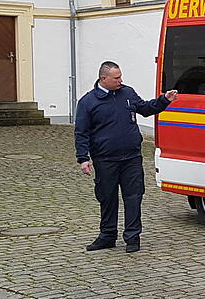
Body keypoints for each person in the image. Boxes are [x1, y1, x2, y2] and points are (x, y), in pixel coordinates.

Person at [75, 61, 178, 253]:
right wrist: (83, 158)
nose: (121, 81)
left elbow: (146, 109)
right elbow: (81, 132)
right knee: (107, 198)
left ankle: (132, 237)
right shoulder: (88, 102)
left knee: (133, 197)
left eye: (121, 76)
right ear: (103, 79)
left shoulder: (127, 93)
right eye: (116, 78)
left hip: (131, 157)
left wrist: (164, 100)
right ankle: (107, 235)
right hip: (105, 159)